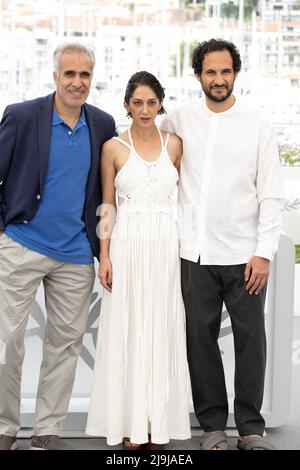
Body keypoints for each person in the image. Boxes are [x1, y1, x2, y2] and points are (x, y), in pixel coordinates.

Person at [161, 39, 284, 450]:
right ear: (198, 75)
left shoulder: (257, 122)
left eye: (226, 71)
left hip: (244, 254)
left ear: (236, 73)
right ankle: (212, 425)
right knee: (200, 338)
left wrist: (264, 251)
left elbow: (271, 192)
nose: (219, 79)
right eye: (210, 72)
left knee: (252, 339)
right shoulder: (178, 119)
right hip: (193, 252)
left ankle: (250, 427)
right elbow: (149, 153)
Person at [0, 43, 115, 451]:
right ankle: (6, 427)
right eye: (70, 74)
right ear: (55, 77)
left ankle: (47, 430)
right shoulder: (22, 116)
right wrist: (3, 230)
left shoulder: (102, 123)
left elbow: (106, 192)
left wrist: (103, 250)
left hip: (76, 254)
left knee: (64, 345)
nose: (77, 82)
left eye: (85, 75)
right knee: (8, 340)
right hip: (22, 243)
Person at [85, 71, 191, 449]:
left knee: (161, 327)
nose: (145, 109)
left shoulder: (175, 145)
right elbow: (107, 204)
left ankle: (158, 423)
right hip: (127, 246)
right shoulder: (113, 147)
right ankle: (129, 424)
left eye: (151, 102)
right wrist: (105, 255)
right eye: (137, 102)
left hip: (165, 245)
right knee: (127, 330)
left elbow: (187, 201)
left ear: (161, 103)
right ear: (127, 105)